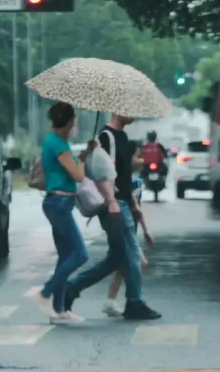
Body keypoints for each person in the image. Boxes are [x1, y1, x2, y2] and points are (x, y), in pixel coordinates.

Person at [63, 114, 161, 320]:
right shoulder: (105, 138)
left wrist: (134, 203)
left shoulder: (124, 138)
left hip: (125, 202)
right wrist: (112, 201)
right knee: (133, 253)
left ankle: (72, 287)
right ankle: (134, 302)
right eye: (128, 108)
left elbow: (124, 177)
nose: (133, 112)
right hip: (114, 205)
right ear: (117, 109)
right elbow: (99, 174)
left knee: (116, 258)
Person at [26, 102, 93, 323]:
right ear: (68, 121)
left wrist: (83, 156)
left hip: (59, 203)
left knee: (66, 256)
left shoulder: (57, 141)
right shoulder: (58, 144)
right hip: (59, 204)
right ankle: (44, 293)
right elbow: (78, 176)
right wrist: (80, 164)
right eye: (74, 119)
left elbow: (75, 169)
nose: (75, 123)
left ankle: (59, 310)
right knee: (80, 254)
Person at [103, 142, 154, 316]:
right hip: (123, 227)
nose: (141, 160)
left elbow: (138, 210)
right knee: (137, 263)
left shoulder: (137, 182)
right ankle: (132, 299)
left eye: (141, 156)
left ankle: (113, 301)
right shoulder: (120, 182)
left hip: (132, 228)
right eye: (137, 156)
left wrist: (146, 230)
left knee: (123, 264)